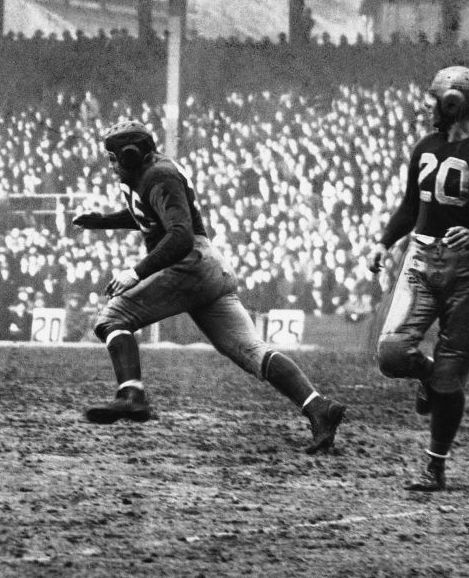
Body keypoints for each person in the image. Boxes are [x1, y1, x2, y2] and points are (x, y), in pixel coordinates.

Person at [71, 121, 346, 455]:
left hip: (190, 265)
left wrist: (135, 271)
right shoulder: (150, 175)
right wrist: (104, 222)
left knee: (112, 319)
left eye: (114, 158)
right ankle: (319, 407)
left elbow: (179, 234)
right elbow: (148, 215)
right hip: (206, 268)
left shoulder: (159, 176)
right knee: (251, 351)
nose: (111, 166)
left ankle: (131, 395)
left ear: (130, 155)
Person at [366, 66, 469, 491]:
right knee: (391, 354)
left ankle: (434, 465)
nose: (426, 107)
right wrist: (385, 242)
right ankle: (429, 378)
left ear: (452, 103)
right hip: (420, 259)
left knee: (450, 377)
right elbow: (410, 206)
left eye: (433, 99)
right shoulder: (425, 147)